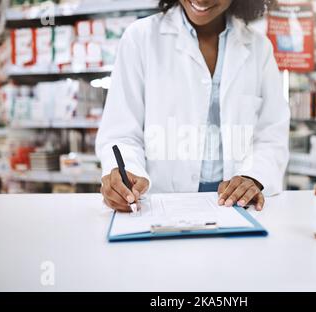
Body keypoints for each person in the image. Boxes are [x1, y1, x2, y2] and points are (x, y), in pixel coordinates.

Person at [96, 0, 290, 213]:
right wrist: (127, 175)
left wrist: (253, 176)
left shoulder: (259, 48)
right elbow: (121, 133)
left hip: (235, 206)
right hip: (160, 206)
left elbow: (272, 136)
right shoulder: (140, 38)